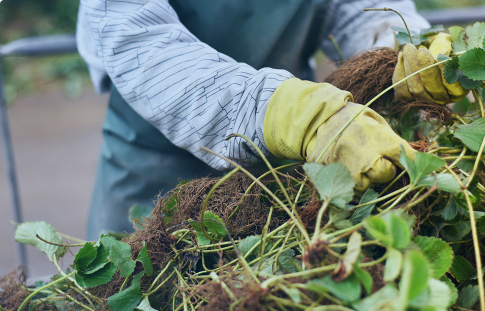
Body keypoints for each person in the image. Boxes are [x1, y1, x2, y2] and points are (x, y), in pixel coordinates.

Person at [77, 0, 463, 240]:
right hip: (153, 174)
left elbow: (350, 5)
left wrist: (397, 48)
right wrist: (291, 114)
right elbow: (140, 44)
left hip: (285, 169)